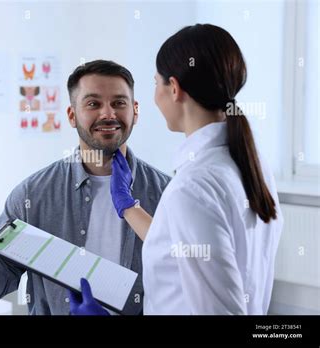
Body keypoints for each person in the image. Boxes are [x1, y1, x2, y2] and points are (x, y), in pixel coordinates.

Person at [70, 24, 283, 315]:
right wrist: (128, 206)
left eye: (156, 83)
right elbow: (181, 246)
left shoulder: (193, 187)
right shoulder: (252, 165)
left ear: (174, 88)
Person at [0, 60, 171, 315]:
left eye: (119, 103)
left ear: (135, 111)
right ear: (72, 115)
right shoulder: (32, 195)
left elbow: (188, 287)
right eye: (93, 103)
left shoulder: (166, 193)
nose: (108, 114)